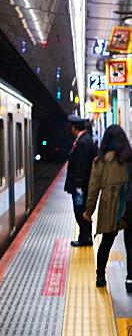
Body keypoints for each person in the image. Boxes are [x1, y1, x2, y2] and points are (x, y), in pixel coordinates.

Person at [83, 123, 132, 290]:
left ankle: (100, 276)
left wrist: (89, 211)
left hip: (109, 203)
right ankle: (130, 278)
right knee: (130, 242)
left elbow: (93, 188)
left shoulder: (100, 161)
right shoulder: (128, 157)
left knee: (107, 240)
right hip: (128, 201)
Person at [64, 114, 97, 246]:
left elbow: (82, 165)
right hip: (82, 186)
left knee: (80, 211)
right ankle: (84, 236)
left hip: (81, 188)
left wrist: (78, 185)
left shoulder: (83, 142)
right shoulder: (85, 139)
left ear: (73, 127)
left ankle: (85, 238)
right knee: (81, 210)